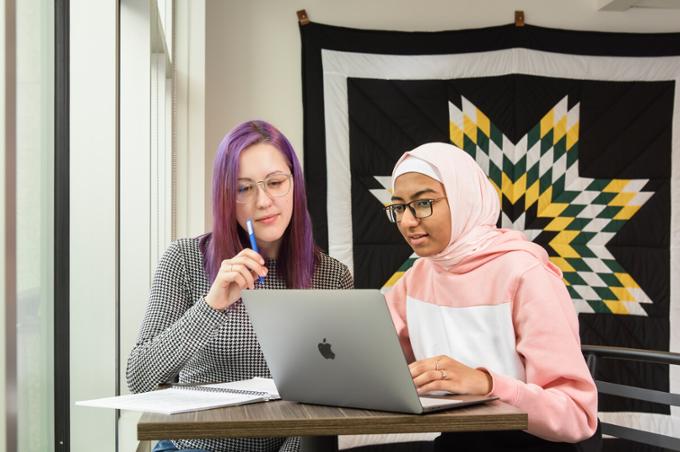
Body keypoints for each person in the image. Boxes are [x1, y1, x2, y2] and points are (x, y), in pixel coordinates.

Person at [127, 120, 353, 452]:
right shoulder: (185, 260)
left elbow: (325, 394)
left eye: (275, 182)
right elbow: (140, 378)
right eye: (244, 188)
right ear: (225, 197)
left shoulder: (332, 278)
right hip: (193, 447)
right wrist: (212, 306)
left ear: (296, 184)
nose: (263, 201)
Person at [383, 142, 601, 451]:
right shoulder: (418, 276)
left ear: (463, 200)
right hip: (462, 439)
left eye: (423, 203)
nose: (406, 221)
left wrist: (488, 384)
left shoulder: (525, 274)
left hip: (537, 445)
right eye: (399, 207)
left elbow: (576, 416)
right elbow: (380, 362)